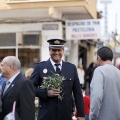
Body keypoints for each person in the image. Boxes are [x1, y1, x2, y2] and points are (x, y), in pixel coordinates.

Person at [30, 38, 85, 120]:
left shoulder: (71, 68)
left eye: (59, 50)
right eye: (54, 50)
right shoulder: (40, 67)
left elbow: (77, 93)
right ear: (49, 51)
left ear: (63, 51)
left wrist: (81, 114)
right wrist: (46, 93)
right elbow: (30, 88)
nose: (56, 53)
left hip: (65, 114)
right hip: (46, 115)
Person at [89, 46, 120, 120]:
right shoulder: (118, 72)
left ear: (99, 58)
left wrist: (93, 116)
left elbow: (97, 96)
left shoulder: (99, 71)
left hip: (102, 117)